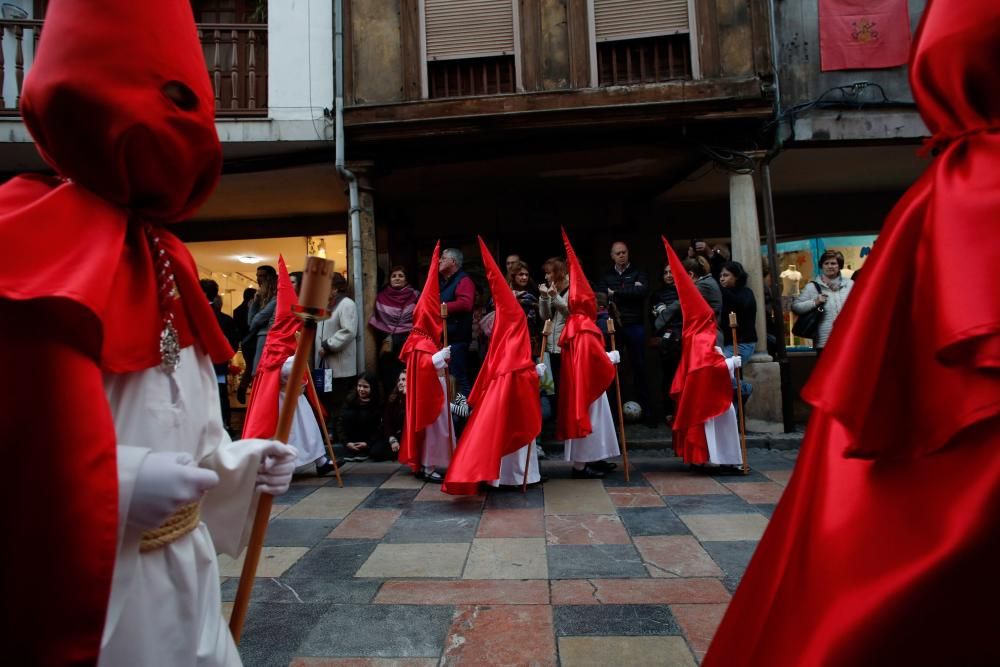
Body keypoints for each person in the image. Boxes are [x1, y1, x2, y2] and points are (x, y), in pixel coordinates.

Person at [0, 1, 298, 663]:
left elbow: (186, 424)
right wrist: (125, 485)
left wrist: (239, 463)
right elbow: (21, 434)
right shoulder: (21, 243)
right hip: (104, 595)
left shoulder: (169, 256)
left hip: (185, 583)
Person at [558, 230, 622, 479]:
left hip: (584, 384)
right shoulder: (583, 326)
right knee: (593, 419)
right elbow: (590, 359)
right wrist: (611, 358)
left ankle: (596, 457)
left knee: (599, 420)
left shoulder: (577, 323)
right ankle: (582, 464)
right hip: (588, 385)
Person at [400, 243, 455, 484]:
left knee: (438, 428)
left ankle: (430, 462)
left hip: (437, 390)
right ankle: (428, 464)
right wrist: (439, 357)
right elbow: (424, 367)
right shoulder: (420, 341)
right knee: (434, 428)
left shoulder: (423, 340)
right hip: (431, 396)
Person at [598, 241, 652, 425]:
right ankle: (614, 417)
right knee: (613, 369)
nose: (622, 255)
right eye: (618, 253)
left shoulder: (639, 272)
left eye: (624, 252)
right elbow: (603, 296)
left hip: (634, 324)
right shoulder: (606, 276)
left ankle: (649, 414)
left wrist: (617, 293)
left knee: (640, 367)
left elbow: (641, 292)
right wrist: (629, 290)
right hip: (614, 327)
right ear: (612, 256)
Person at [791, 250, 854, 354]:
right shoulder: (812, 287)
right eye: (826, 263)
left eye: (833, 263)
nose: (830, 266)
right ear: (822, 266)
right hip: (825, 341)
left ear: (839, 266)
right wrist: (815, 302)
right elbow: (796, 307)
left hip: (849, 338)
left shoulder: (850, 284)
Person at [369, 265, 419, 394]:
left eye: (400, 276)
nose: (397, 278)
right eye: (394, 276)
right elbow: (378, 321)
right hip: (388, 346)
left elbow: (420, 318)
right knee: (388, 379)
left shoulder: (415, 295)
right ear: (389, 279)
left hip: (407, 344)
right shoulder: (381, 297)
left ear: (406, 280)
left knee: (407, 377)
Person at [315, 272, 358, 419]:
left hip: (340, 367)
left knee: (338, 402)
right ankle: (330, 431)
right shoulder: (326, 305)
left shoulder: (346, 304)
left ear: (335, 288)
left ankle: (337, 433)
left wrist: (327, 345)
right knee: (326, 398)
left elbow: (348, 331)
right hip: (325, 365)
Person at [200, 279, 240, 432]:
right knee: (221, 395)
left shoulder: (195, 315)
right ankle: (225, 424)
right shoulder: (225, 319)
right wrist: (226, 356)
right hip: (219, 363)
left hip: (200, 363)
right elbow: (234, 341)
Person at [439, 247, 476, 395]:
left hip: (457, 340)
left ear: (452, 262)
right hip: (448, 339)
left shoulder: (464, 280)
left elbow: (466, 304)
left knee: (459, 378)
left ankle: (465, 412)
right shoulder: (447, 282)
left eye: (443, 257)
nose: (439, 260)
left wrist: (439, 308)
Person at [651, 263, 683, 426]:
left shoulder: (684, 290)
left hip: (685, 337)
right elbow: (661, 316)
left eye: (672, 272)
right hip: (667, 340)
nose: (669, 275)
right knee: (669, 376)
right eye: (666, 272)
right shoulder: (658, 294)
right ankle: (669, 411)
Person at [538, 257, 570, 390]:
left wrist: (555, 296)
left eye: (548, 273)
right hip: (552, 347)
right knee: (556, 387)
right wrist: (544, 297)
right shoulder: (552, 289)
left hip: (566, 346)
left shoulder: (572, 289)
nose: (546, 276)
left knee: (567, 385)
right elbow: (546, 317)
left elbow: (570, 314)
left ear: (558, 273)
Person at [336, 373, 383, 462]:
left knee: (365, 415)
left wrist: (368, 443)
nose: (361, 389)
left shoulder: (378, 403)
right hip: (351, 439)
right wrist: (346, 443)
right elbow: (340, 422)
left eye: (365, 387)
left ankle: (363, 450)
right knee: (349, 414)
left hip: (368, 439)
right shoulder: (351, 400)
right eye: (359, 386)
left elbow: (380, 427)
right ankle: (352, 448)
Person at [719, 261, 757, 366]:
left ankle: (745, 384)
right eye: (721, 275)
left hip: (742, 343)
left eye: (726, 275)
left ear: (736, 277)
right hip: (726, 343)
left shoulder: (746, 293)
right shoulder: (723, 293)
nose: (722, 279)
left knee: (722, 370)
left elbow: (738, 304)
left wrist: (721, 290)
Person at [683, 255, 723, 346]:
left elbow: (681, 304)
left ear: (690, 274)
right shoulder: (707, 282)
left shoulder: (702, 286)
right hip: (709, 336)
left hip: (708, 337)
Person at [245, 267, 277, 375]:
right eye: (257, 276)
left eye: (262, 276)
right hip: (260, 338)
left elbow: (255, 321)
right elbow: (251, 322)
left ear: (270, 278)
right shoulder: (261, 298)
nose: (259, 279)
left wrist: (255, 303)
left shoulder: (276, 298)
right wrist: (255, 301)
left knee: (260, 373)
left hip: (267, 339)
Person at [509, 260, 541, 350]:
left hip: (531, 339)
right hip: (513, 338)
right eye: (521, 274)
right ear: (513, 276)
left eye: (526, 275)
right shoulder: (507, 294)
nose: (524, 277)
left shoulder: (534, 293)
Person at [376, 370, 406, 462]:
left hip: (405, 436)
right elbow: (386, 421)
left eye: (404, 380)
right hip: (394, 435)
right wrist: (392, 439)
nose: (400, 382)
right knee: (376, 451)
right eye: (399, 380)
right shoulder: (393, 398)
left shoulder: (414, 398)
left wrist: (406, 395)